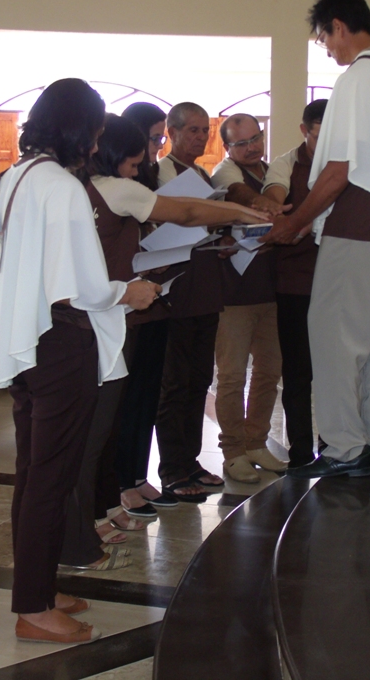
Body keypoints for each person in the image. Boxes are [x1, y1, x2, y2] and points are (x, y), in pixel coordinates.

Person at [0, 79, 159, 645]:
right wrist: (130, 292)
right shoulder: (63, 187)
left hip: (28, 339)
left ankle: (40, 590)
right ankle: (33, 608)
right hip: (61, 341)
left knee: (35, 473)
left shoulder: (14, 177)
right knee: (50, 478)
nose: (97, 143)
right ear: (79, 130)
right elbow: (85, 287)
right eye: (96, 132)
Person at [60, 114, 268, 568]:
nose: (139, 170)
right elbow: (186, 211)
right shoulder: (110, 188)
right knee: (91, 435)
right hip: (100, 318)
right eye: (135, 162)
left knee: (98, 429)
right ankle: (77, 536)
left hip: (99, 319)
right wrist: (240, 212)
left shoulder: (83, 188)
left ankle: (93, 517)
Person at [264, 0, 370, 478]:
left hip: (356, 225)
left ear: (339, 26)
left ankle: (343, 447)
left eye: (324, 39)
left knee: (334, 340)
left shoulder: (360, 77)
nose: (327, 50)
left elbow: (339, 170)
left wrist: (296, 222)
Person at [153, 102, 233, 500]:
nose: (201, 137)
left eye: (205, 131)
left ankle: (190, 461)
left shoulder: (203, 175)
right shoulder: (160, 174)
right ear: (172, 132)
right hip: (175, 291)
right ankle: (171, 468)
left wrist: (225, 238)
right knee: (175, 382)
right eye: (193, 130)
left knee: (200, 380)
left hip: (205, 289)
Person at [210, 114, 286, 483]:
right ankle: (233, 452)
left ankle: (256, 442)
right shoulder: (224, 175)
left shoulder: (273, 174)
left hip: (272, 292)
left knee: (270, 372)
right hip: (233, 295)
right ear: (227, 147)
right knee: (232, 376)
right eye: (241, 143)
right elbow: (241, 197)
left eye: (256, 138)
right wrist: (265, 209)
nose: (252, 147)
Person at [113, 102, 173, 515]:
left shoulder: (150, 177)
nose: (157, 147)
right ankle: (120, 481)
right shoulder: (114, 183)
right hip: (125, 302)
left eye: (160, 138)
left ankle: (137, 474)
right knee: (126, 396)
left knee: (149, 392)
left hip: (155, 298)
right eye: (153, 138)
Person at [261, 99, 325, 468]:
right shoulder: (286, 162)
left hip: (336, 279)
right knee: (298, 371)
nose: (326, 142)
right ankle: (301, 451)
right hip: (295, 281)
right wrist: (278, 210)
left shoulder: (348, 162)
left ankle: (334, 446)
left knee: (335, 370)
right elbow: (275, 195)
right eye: (318, 135)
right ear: (304, 131)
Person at [122, 102, 168, 191]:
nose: (161, 146)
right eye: (156, 138)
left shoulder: (152, 170)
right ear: (138, 137)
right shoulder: (123, 175)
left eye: (161, 138)